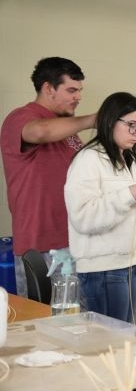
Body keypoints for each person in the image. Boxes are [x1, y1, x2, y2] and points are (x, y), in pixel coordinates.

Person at [0, 57, 95, 297]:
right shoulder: (20, 117)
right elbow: (40, 132)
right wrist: (96, 119)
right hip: (41, 244)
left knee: (73, 325)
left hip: (74, 240)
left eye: (79, 91)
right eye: (71, 90)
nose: (78, 97)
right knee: (42, 326)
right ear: (48, 88)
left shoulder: (66, 129)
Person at [64, 92, 136, 322]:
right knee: (111, 340)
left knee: (123, 336)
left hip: (132, 261)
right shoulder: (88, 159)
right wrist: (129, 194)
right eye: (131, 125)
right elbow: (83, 217)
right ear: (110, 119)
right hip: (104, 267)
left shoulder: (130, 161)